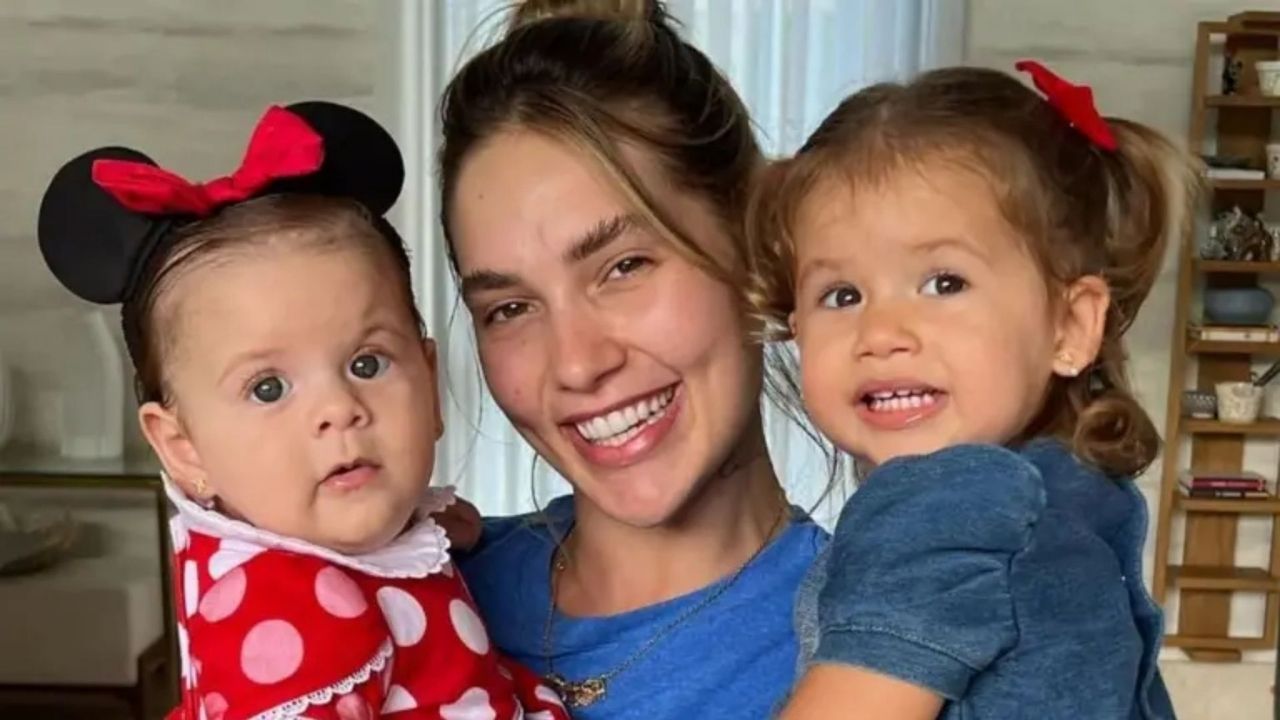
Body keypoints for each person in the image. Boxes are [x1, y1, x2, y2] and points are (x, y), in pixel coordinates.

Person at [37, 101, 568, 720]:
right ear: (184, 449)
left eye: (367, 364)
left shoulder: (354, 557)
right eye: (268, 389)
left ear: (428, 384)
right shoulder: (293, 622)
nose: (339, 409)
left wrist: (429, 532)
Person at [746, 61, 1194, 718]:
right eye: (842, 295)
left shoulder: (949, 505)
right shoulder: (1073, 493)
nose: (882, 333)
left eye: (944, 283)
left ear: (1070, 325)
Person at [437, 1, 829, 717]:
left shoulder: (888, 655)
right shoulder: (407, 595)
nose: (577, 364)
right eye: (511, 308)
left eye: (624, 266)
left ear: (755, 241)